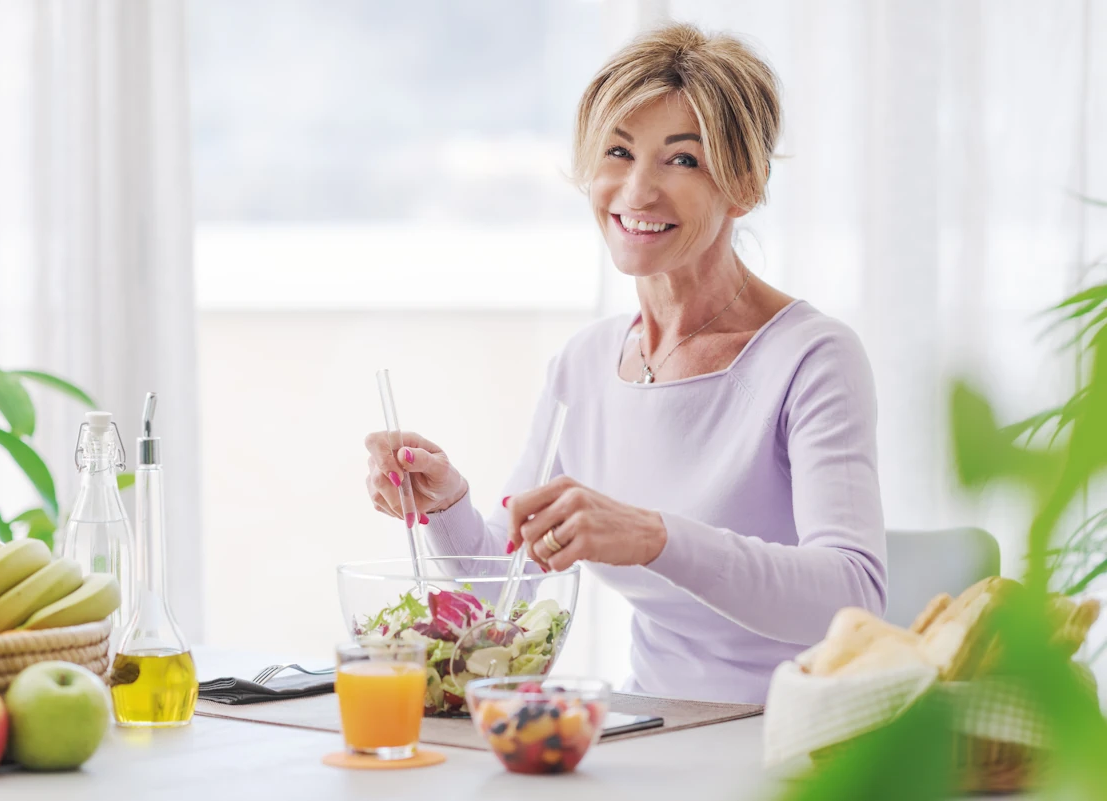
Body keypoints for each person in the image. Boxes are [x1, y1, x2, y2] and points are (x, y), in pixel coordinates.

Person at [363, 22, 886, 705]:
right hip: (646, 727)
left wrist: (652, 537)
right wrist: (446, 500)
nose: (637, 191)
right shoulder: (584, 364)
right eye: (618, 152)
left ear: (745, 185)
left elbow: (849, 598)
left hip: (795, 735)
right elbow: (507, 583)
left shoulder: (813, 357)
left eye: (683, 160)